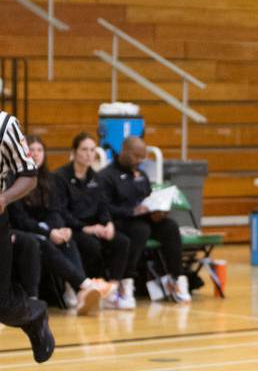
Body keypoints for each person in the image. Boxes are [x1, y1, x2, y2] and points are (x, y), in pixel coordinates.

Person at [8, 136, 106, 315]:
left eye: (40, 150)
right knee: (42, 242)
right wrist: (48, 231)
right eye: (32, 150)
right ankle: (85, 284)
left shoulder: (48, 179)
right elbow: (19, 218)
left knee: (68, 239)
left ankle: (80, 294)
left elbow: (55, 210)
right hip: (22, 230)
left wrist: (60, 228)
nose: (36, 154)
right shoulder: (14, 179)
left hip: (45, 229)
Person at [97, 136, 190, 304]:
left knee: (170, 226)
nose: (140, 160)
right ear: (124, 151)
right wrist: (132, 211)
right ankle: (126, 282)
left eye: (143, 156)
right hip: (120, 221)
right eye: (137, 156)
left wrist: (158, 211)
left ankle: (176, 278)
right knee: (141, 229)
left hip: (143, 219)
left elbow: (148, 199)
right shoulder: (106, 176)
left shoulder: (142, 174)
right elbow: (105, 208)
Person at [53, 132, 131, 310]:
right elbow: (61, 211)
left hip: (95, 227)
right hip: (74, 228)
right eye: (84, 150)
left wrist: (108, 223)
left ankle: (111, 291)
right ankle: (75, 285)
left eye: (92, 150)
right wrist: (85, 228)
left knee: (122, 242)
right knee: (91, 246)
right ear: (74, 152)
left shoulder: (96, 177)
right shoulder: (60, 177)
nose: (89, 154)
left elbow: (103, 206)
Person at [0, 111, 54, 363]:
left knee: (2, 305)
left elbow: (29, 175)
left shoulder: (5, 125)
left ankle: (34, 314)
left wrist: (4, 198)